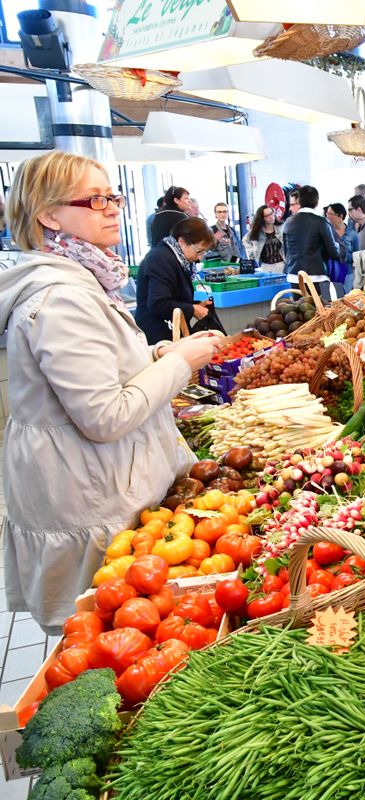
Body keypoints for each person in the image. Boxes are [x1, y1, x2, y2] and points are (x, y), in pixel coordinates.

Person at [0, 152, 221, 633]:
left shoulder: (83, 279)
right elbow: (104, 415)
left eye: (113, 195)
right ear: (49, 215)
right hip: (82, 487)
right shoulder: (60, 298)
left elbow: (103, 374)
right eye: (95, 199)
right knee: (97, 631)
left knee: (114, 624)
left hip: (92, 477)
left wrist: (156, 356)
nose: (113, 208)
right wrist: (180, 364)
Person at [135, 216, 219, 344]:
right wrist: (192, 309)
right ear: (182, 241)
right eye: (199, 251)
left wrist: (195, 305)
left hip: (169, 330)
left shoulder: (177, 259)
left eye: (204, 253)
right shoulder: (160, 259)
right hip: (157, 336)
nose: (200, 258)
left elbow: (173, 295)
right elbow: (159, 303)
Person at [283, 184, 339, 300]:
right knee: (323, 311)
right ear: (317, 202)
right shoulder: (321, 222)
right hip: (317, 274)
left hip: (294, 275)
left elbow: (286, 251)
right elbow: (333, 251)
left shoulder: (288, 222)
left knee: (300, 312)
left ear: (300, 201)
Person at [325, 203, 357, 294]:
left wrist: (345, 255)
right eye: (327, 213)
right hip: (330, 272)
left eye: (331, 214)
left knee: (346, 300)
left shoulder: (352, 234)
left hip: (348, 273)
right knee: (331, 301)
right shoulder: (326, 231)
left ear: (340, 216)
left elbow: (356, 256)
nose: (328, 216)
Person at [244, 204, 285, 272]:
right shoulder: (257, 231)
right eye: (267, 216)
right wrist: (251, 253)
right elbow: (245, 240)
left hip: (282, 264)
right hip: (266, 266)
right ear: (262, 218)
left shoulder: (281, 227)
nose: (271, 217)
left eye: (271, 213)